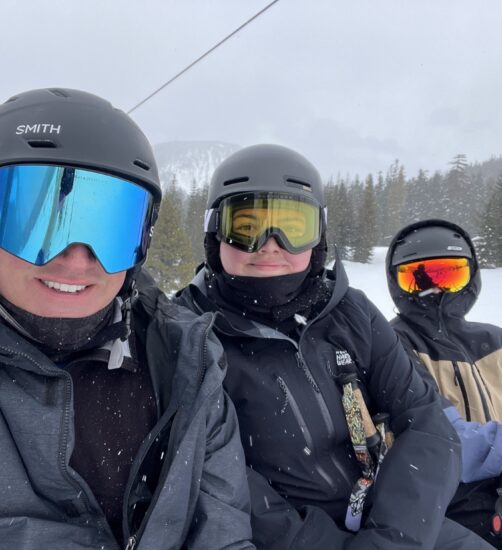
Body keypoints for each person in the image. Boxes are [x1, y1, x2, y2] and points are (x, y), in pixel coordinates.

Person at [0, 88, 255, 550]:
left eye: (109, 230)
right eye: (35, 224)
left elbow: (224, 531)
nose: (76, 260)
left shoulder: (184, 361)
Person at [175, 144, 494, 549]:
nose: (271, 245)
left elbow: (424, 420)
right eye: (248, 226)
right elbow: (215, 479)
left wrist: (394, 535)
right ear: (215, 233)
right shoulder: (190, 333)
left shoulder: (349, 312)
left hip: (396, 522)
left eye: (293, 227)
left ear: (319, 237)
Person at [386, 218, 502, 547]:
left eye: (451, 275)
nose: (436, 290)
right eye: (417, 279)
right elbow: (443, 440)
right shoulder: (394, 344)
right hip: (447, 503)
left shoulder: (494, 339)